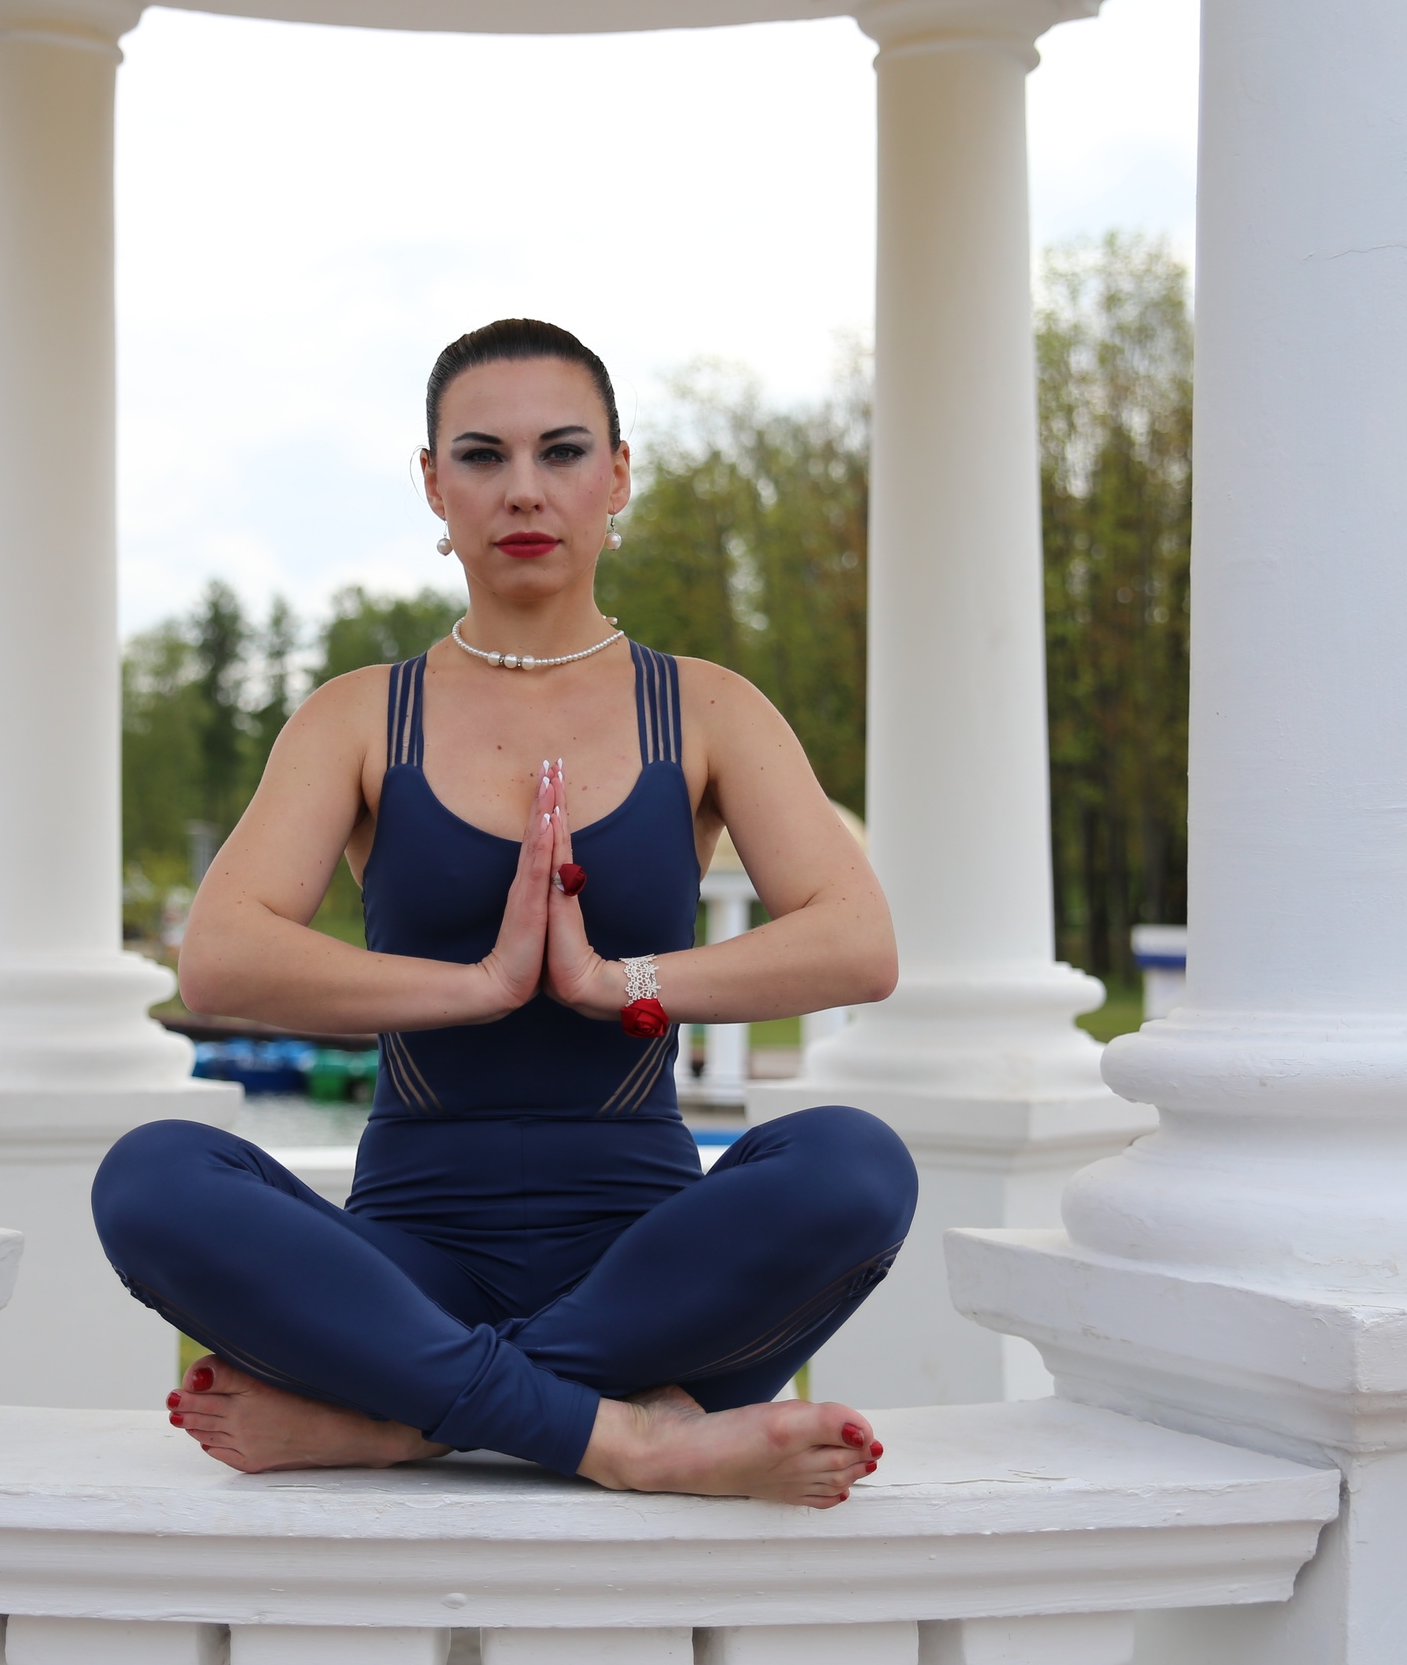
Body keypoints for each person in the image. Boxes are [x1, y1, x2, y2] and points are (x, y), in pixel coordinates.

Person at [94, 319, 913, 1509]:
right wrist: (477, 987)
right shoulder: (358, 717)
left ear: (616, 476)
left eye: (562, 451)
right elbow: (218, 959)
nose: (523, 488)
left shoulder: (708, 709)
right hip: (405, 1270)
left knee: (857, 1163)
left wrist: (611, 984)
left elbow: (857, 942)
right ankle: (627, 1438)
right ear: (434, 485)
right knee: (151, 1177)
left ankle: (402, 1423)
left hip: (653, 1279)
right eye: (481, 456)